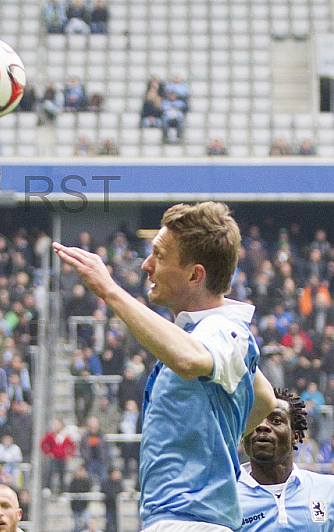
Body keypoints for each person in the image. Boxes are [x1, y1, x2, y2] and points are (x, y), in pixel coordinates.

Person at [54, 201, 275, 532]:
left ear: (194, 274)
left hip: (190, 522)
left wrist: (110, 291)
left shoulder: (223, 331)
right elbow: (265, 399)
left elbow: (189, 360)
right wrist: (214, 441)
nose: (146, 265)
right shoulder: (210, 334)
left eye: (159, 255)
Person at [239, 388, 334, 530]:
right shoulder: (224, 496)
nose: (262, 426)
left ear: (296, 435)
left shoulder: (332, 491)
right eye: (255, 420)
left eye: (276, 420)